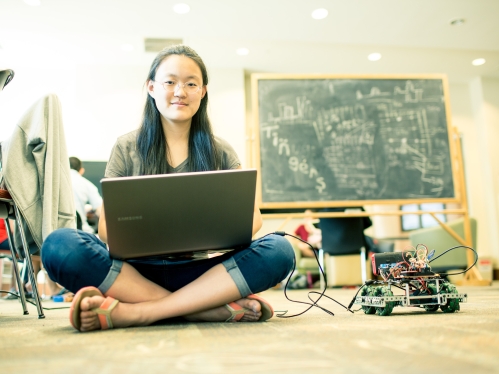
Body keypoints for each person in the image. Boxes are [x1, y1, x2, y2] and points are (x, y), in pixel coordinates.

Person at [41, 45, 294, 332]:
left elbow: (254, 220)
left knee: (280, 250)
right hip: (135, 273)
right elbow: (106, 231)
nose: (180, 91)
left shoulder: (221, 151)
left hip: (203, 273)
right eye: (170, 81)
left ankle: (137, 312)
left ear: (203, 91)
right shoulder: (127, 147)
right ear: (151, 87)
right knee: (59, 246)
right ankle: (202, 310)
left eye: (191, 83)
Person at [69, 156, 103, 233]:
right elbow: (101, 212)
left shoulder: (52, 183)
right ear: (81, 171)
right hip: (79, 232)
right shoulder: (87, 184)